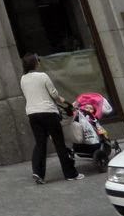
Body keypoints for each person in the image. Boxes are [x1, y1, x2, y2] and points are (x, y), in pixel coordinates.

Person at [20, 53, 82, 184]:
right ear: (34, 63)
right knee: (59, 143)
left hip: (32, 114)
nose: (39, 62)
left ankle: (38, 173)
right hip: (48, 112)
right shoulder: (42, 76)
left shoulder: (23, 79)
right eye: (38, 60)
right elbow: (54, 94)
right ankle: (70, 173)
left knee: (40, 143)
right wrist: (64, 101)